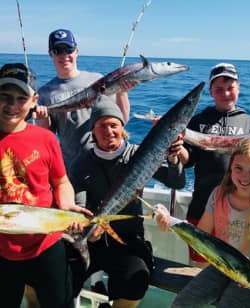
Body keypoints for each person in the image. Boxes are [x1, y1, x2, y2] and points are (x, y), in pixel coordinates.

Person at [69, 98, 186, 308]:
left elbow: (176, 182)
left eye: (113, 125)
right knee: (59, 275)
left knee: (136, 279)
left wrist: (174, 159)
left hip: (128, 241)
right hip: (92, 239)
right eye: (101, 126)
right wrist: (88, 228)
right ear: (93, 131)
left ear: (123, 128)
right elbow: (80, 203)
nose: (108, 131)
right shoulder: (83, 162)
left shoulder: (139, 154)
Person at [0, 63, 92, 308]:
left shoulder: (46, 138)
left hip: (46, 244)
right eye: (5, 97)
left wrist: (68, 205)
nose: (12, 105)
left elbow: (61, 181)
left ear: (34, 101)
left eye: (21, 98)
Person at [182, 62, 250, 267]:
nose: (225, 93)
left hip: (241, 215)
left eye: (230, 88)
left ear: (238, 89)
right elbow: (189, 160)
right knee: (200, 267)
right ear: (211, 92)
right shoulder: (197, 121)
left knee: (234, 268)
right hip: (202, 205)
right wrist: (178, 148)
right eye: (219, 89)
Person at [157, 138, 250, 308]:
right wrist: (170, 223)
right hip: (222, 267)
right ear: (230, 168)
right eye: (238, 168)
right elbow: (200, 233)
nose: (244, 177)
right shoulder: (218, 195)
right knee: (182, 303)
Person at [35, 29, 135, 174]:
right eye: (58, 50)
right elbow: (48, 135)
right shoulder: (45, 93)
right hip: (72, 167)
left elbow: (122, 119)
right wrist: (42, 119)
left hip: (106, 160)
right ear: (51, 54)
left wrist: (122, 92)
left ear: (76, 51)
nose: (64, 56)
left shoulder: (97, 80)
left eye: (68, 49)